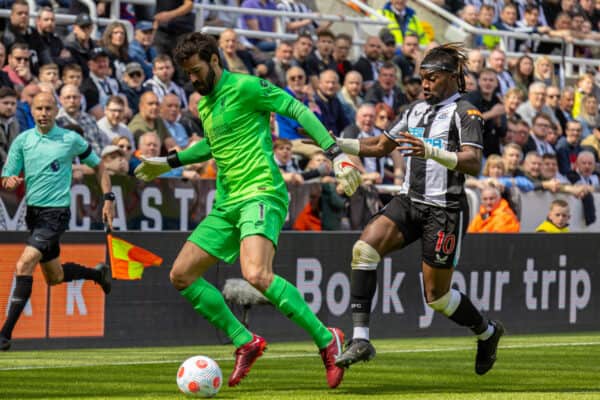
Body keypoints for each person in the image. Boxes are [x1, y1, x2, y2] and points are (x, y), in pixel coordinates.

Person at [134, 32, 362, 388]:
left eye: (196, 71)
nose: (192, 80)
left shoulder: (247, 86)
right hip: (227, 202)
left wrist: (337, 155)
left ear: (214, 61)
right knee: (181, 275)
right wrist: (167, 162)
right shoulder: (206, 104)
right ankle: (245, 340)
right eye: (187, 75)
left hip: (261, 192)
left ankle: (326, 338)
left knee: (256, 274)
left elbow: (296, 108)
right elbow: (211, 146)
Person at [333, 43, 504, 375]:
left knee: (437, 298)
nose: (425, 84)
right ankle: (360, 338)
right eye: (422, 77)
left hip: (445, 210)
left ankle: (487, 331)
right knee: (364, 249)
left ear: (453, 78)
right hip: (409, 201)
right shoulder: (414, 110)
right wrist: (336, 143)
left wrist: (429, 150)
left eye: (432, 78)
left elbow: (472, 162)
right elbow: (382, 145)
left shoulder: (466, 114)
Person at [0, 92, 115, 351]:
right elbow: (8, 174)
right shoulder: (23, 141)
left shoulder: (69, 139)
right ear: (32, 110)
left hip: (56, 214)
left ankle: (4, 334)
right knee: (55, 276)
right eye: (38, 108)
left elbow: (99, 166)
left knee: (24, 263)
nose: (43, 113)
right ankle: (97, 274)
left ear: (56, 110)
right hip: (34, 214)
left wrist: (108, 198)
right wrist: (7, 180)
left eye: (48, 108)